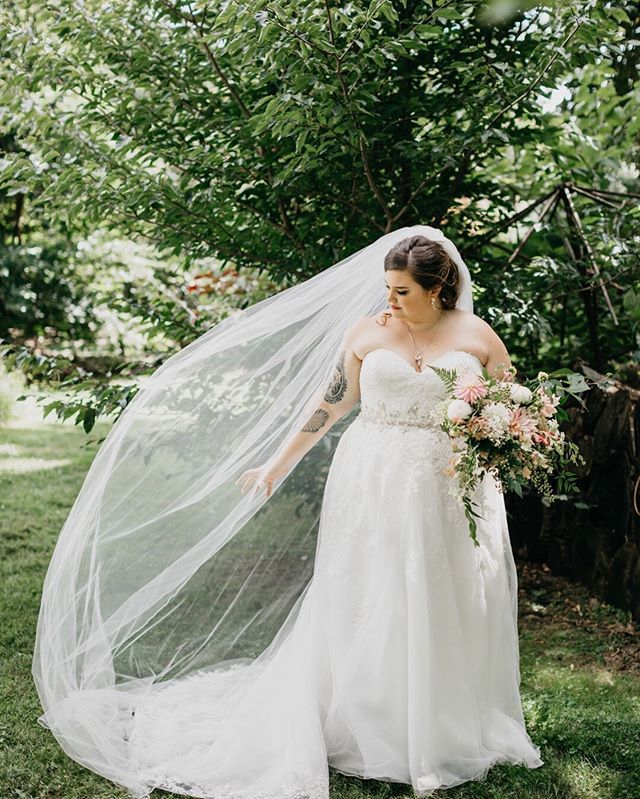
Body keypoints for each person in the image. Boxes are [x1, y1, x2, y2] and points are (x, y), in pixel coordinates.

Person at [32, 226, 544, 799]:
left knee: (441, 592)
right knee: (369, 589)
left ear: (437, 289)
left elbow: (510, 406)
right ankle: (364, 713)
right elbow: (332, 403)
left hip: (449, 488)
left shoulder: (477, 335)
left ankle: (441, 718)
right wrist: (277, 464)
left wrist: (506, 440)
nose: (390, 300)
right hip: (371, 480)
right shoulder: (367, 332)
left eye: (402, 291)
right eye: (387, 288)